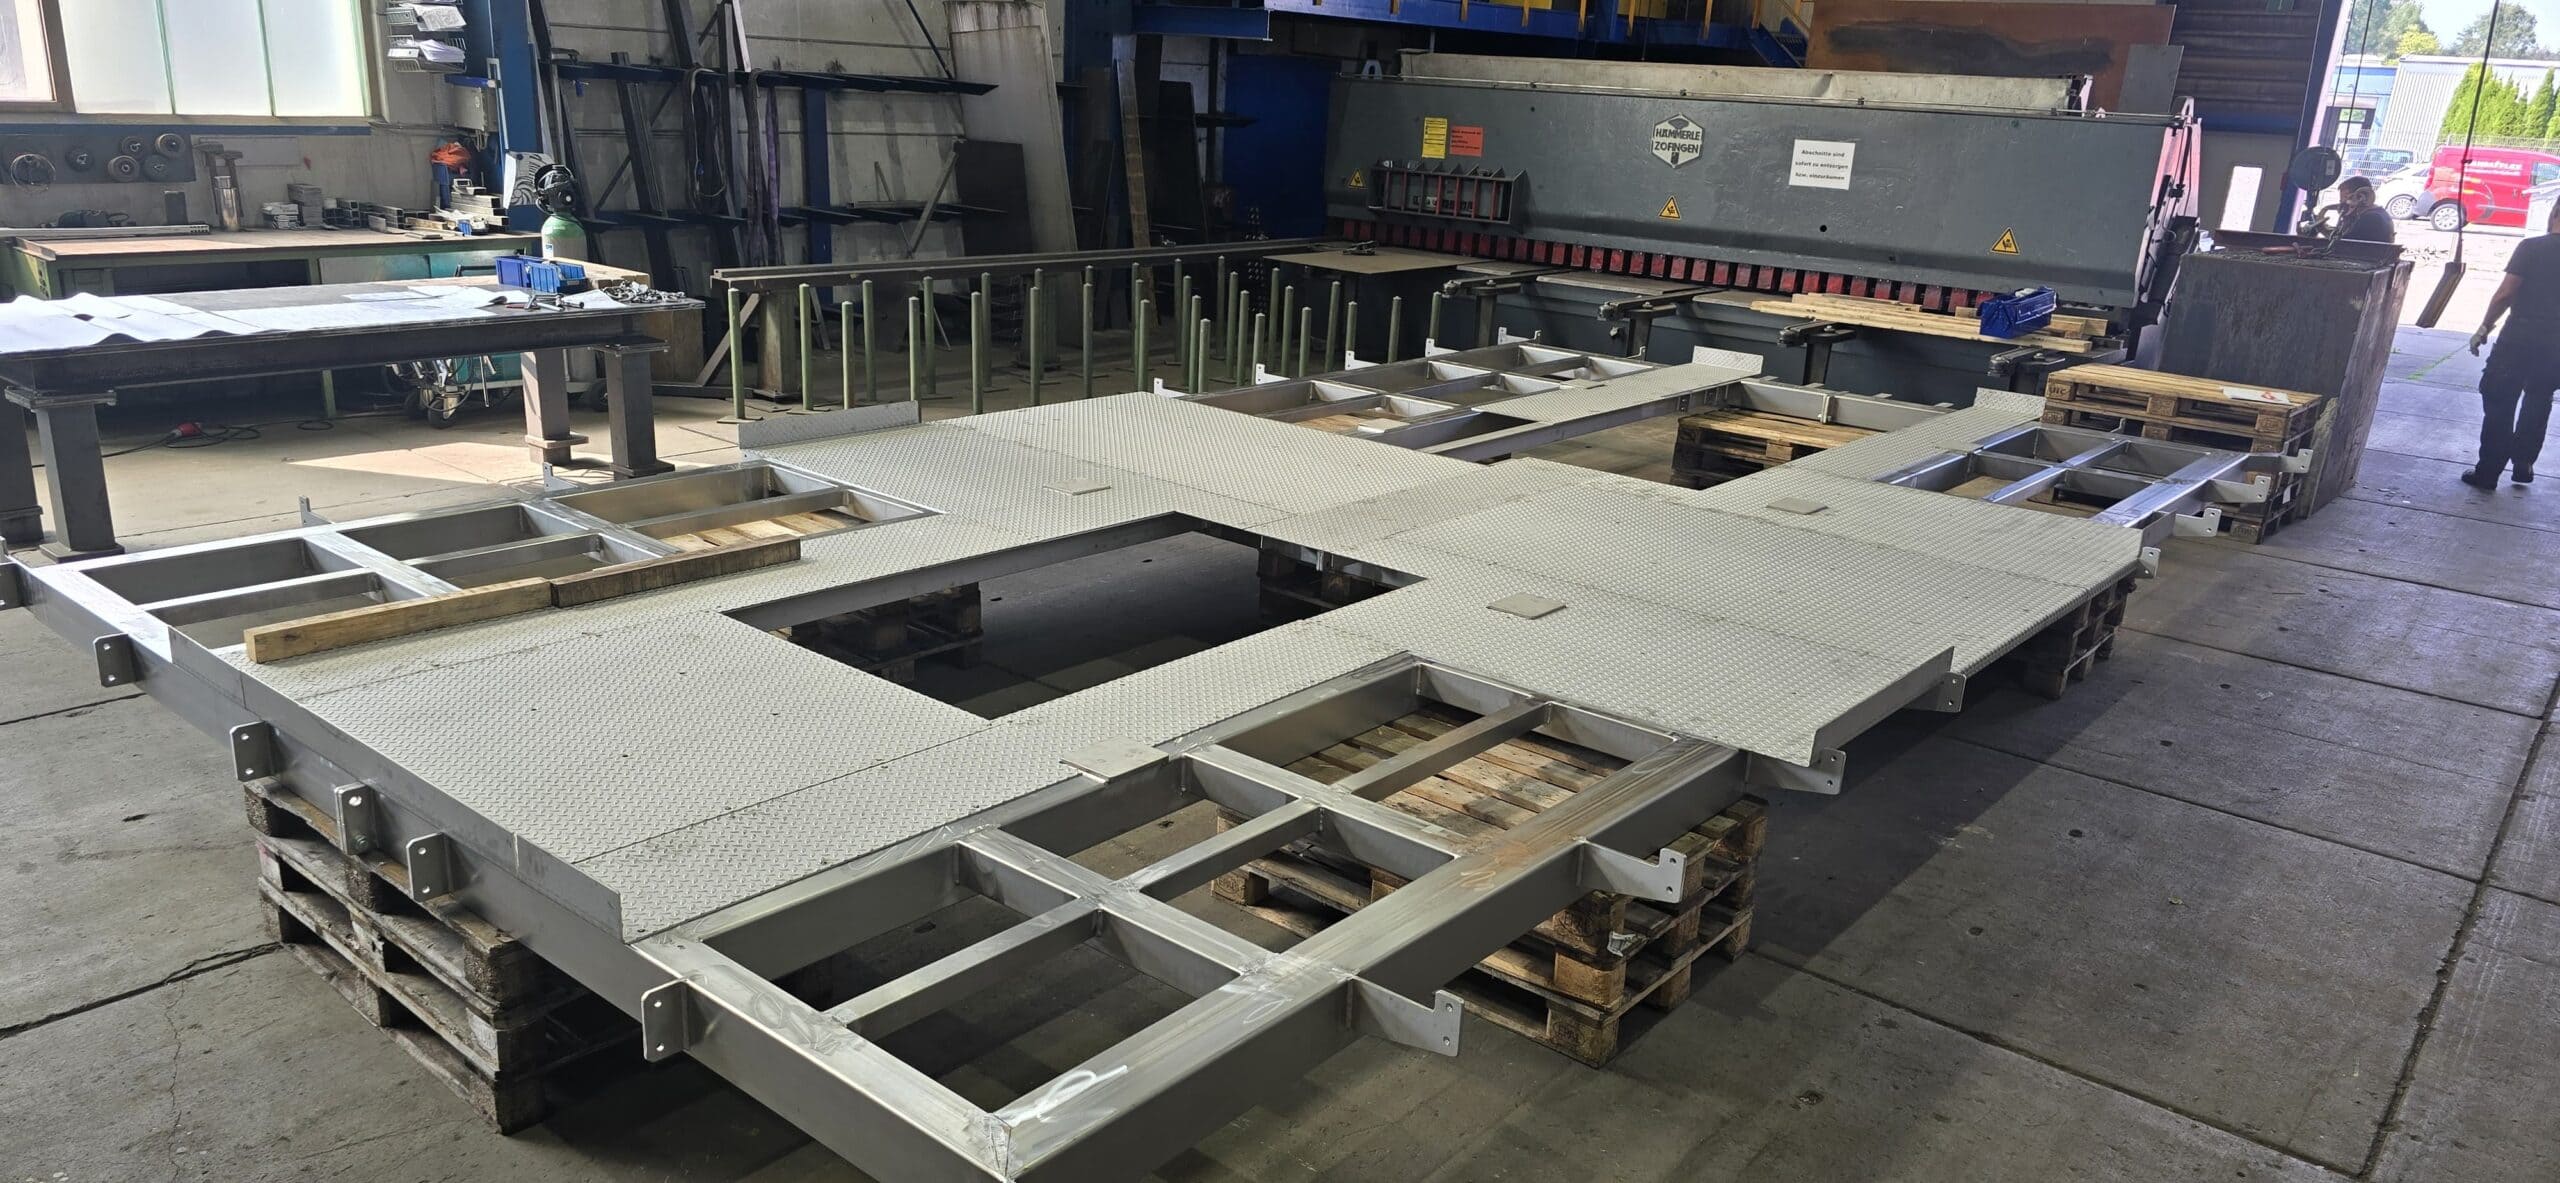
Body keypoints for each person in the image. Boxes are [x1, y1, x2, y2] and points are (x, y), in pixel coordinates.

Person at [2464, 201, 2560, 489]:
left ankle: (2488, 471)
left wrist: (2485, 327)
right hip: (2555, 345)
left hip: (2519, 337)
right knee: (2539, 397)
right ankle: (2523, 462)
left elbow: (2506, 293)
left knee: (2499, 398)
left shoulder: (2532, 248)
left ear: (2555, 213)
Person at [2336, 176, 2396, 243]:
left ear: (2360, 197)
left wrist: (2345, 218)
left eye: (2346, 199)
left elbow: (2340, 243)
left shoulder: (2371, 219)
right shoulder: (2380, 213)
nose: (2344, 206)